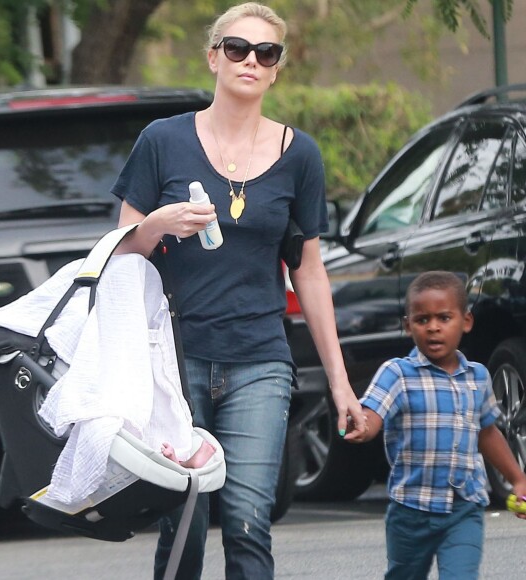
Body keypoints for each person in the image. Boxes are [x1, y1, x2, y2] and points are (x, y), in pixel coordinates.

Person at [110, 2, 366, 579]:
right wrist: (159, 223)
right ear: (213, 57)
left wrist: (340, 381)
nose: (250, 60)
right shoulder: (163, 141)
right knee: (186, 523)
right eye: (236, 48)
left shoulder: (300, 155)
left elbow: (310, 271)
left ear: (276, 70)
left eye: (266, 52)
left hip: (260, 360)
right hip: (175, 361)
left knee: (250, 522)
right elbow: (120, 252)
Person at [346, 271, 526, 580]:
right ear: (408, 325)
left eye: (444, 318)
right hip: (411, 510)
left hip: (464, 508)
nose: (433, 327)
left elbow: (487, 432)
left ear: (466, 321)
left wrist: (518, 479)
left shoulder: (477, 377)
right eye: (422, 320)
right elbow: (371, 416)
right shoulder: (397, 373)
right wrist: (359, 426)